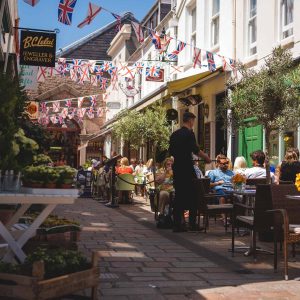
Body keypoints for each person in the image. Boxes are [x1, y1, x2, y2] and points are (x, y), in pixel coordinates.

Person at [169, 111, 211, 232]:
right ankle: (192, 224)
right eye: (193, 121)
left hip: (177, 168)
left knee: (179, 196)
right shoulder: (189, 133)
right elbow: (195, 150)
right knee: (194, 195)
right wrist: (206, 158)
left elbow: (171, 151)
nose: (193, 124)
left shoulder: (174, 134)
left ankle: (178, 224)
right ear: (190, 120)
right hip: (187, 168)